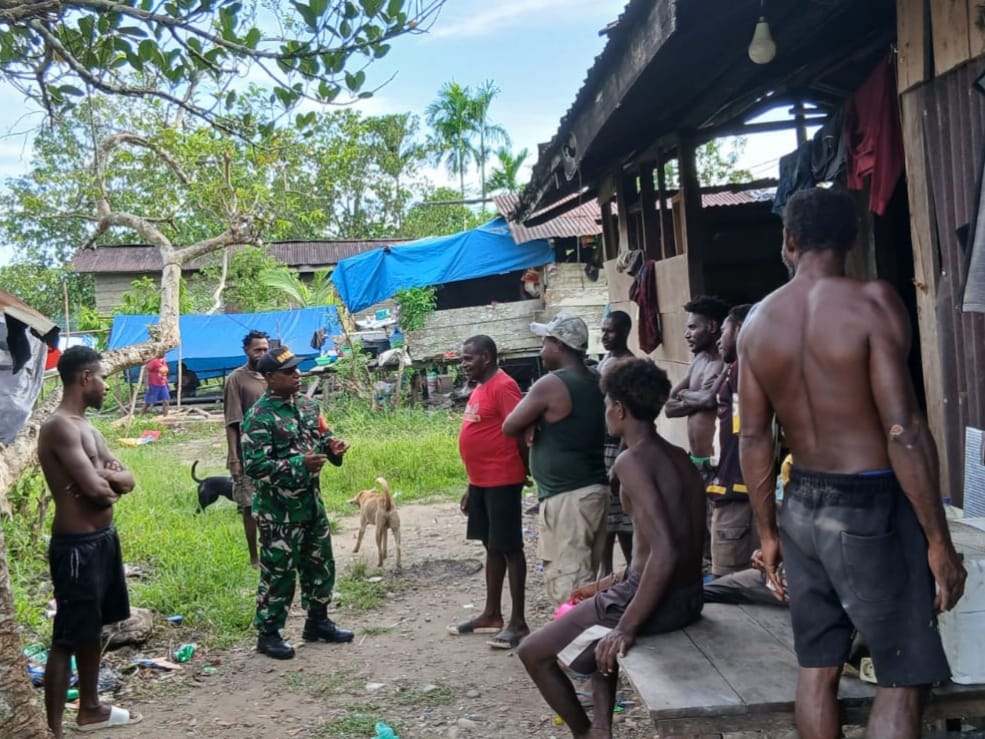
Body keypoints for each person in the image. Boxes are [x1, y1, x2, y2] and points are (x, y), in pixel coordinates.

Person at [739, 187, 966, 739]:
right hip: (870, 506)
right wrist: (938, 540)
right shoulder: (871, 302)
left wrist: (767, 531)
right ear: (853, 237)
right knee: (901, 673)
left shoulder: (756, 324)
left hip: (802, 508)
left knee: (817, 670)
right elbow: (904, 429)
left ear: (789, 240)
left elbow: (754, 441)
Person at [517, 359, 705, 739]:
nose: (606, 413)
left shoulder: (631, 461)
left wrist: (626, 626)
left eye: (607, 405)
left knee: (532, 652)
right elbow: (674, 548)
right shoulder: (679, 457)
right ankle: (603, 727)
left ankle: (587, 733)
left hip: (656, 598)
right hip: (688, 596)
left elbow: (664, 551)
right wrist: (606, 585)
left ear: (618, 408)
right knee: (595, 630)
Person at [38, 346, 142, 736]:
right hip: (77, 548)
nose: (105, 386)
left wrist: (108, 478)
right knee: (68, 635)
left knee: (93, 627)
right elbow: (100, 491)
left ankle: (91, 708)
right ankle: (53, 729)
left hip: (102, 540)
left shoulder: (90, 429)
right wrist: (107, 477)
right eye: (102, 378)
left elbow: (126, 480)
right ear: (85, 378)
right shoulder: (59, 427)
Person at [241, 344, 354, 659]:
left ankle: (317, 622)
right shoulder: (259, 417)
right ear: (270, 377)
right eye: (289, 372)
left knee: (320, 563)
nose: (297, 375)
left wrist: (334, 447)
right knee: (279, 573)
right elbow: (256, 467)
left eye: (297, 369)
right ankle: (269, 634)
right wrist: (297, 465)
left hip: (310, 504)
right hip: (279, 513)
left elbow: (322, 436)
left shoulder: (307, 406)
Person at [503, 312, 608, 606]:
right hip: (594, 490)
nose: (541, 349)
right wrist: (535, 420)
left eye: (545, 341)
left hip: (568, 498)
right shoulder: (595, 380)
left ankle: (574, 647)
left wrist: (529, 421)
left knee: (570, 584)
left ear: (559, 345)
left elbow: (509, 425)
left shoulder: (552, 384)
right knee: (586, 580)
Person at [450, 335, 530, 650]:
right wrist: (472, 484)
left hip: (502, 478)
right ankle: (492, 614)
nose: (463, 364)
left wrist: (525, 470)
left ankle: (518, 622)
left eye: (467, 358)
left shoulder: (503, 386)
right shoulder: (480, 388)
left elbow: (523, 429)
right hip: (481, 481)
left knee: (510, 548)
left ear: (485, 357)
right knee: (491, 546)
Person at [700, 303, 757, 577]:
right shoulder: (737, 368)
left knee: (730, 580)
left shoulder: (744, 371)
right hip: (734, 490)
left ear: (740, 328)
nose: (719, 339)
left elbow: (748, 431)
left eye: (723, 330)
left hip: (737, 493)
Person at [663, 295, 730, 478]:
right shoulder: (698, 361)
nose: (687, 334)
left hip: (718, 461)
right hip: (695, 460)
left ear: (712, 327)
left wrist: (686, 395)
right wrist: (696, 397)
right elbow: (669, 408)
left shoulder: (726, 362)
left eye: (693, 327)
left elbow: (709, 400)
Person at [223, 330, 270, 568]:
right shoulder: (237, 379)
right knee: (250, 506)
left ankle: (273, 549)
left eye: (265, 349)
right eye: (257, 349)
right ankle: (254, 557)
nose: (262, 353)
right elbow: (232, 422)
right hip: (247, 453)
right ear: (246, 351)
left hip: (273, 454)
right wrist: (234, 458)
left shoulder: (273, 375)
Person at [597, 310, 635, 576]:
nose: (604, 336)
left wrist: (619, 461)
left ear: (624, 331)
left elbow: (629, 416)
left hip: (617, 445)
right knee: (606, 517)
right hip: (602, 444)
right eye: (603, 331)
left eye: (610, 331)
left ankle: (632, 569)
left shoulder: (628, 364)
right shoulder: (606, 360)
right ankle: (607, 571)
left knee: (620, 517)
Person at [140, 352, 170, 416]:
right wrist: (146, 385)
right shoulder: (154, 361)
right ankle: (140, 416)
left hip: (163, 385)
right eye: (163, 352)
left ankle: (165, 417)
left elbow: (164, 374)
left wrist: (167, 383)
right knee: (148, 402)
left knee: (166, 401)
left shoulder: (164, 362)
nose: (165, 353)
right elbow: (146, 372)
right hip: (153, 384)